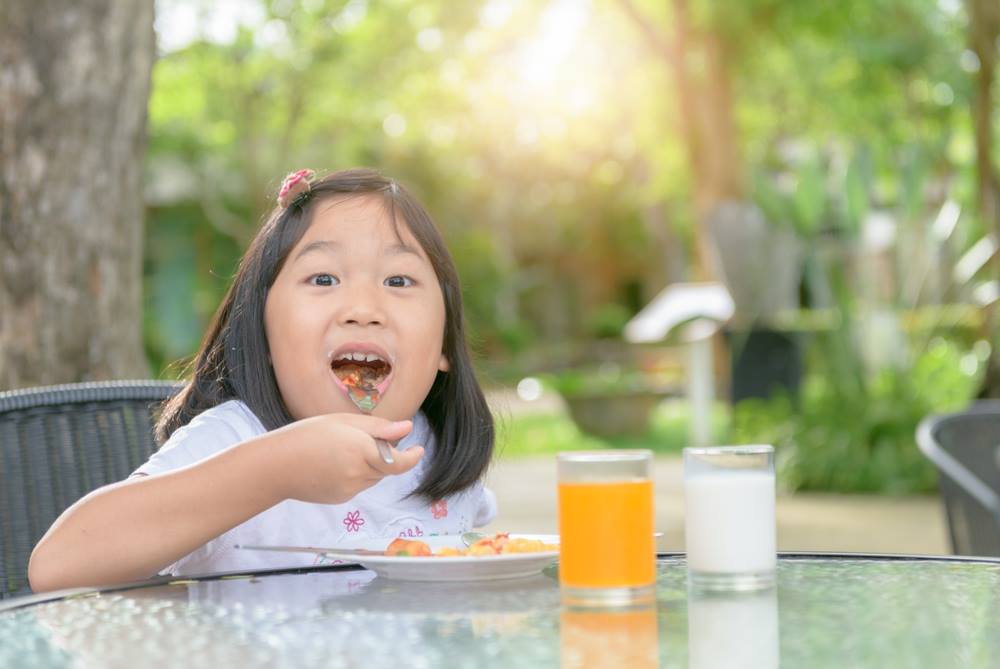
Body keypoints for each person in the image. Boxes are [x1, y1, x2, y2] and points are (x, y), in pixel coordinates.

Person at [28, 168, 497, 591]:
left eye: (398, 281)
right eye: (323, 279)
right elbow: (59, 566)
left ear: (443, 346)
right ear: (265, 334)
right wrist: (275, 471)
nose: (363, 310)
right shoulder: (235, 439)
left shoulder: (441, 458)